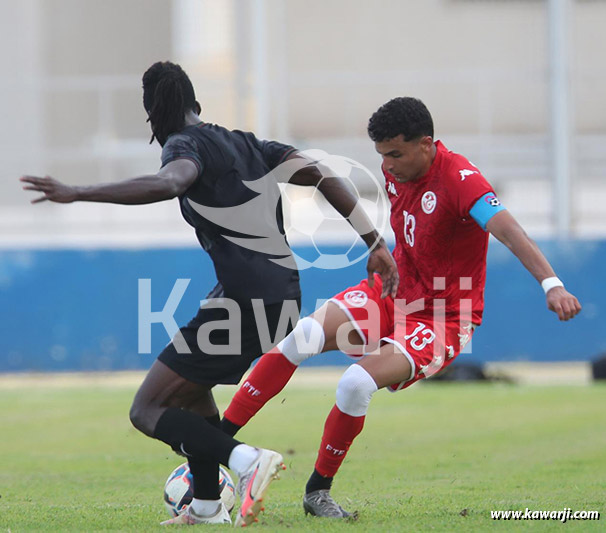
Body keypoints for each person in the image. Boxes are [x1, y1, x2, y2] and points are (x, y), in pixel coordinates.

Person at [20, 61, 398, 527]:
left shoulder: (183, 145)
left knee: (147, 409)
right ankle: (204, 507)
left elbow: (172, 181)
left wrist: (79, 192)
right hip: (279, 299)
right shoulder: (250, 144)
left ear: (153, 114)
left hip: (246, 303)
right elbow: (323, 174)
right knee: (193, 397)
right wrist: (374, 241)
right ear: (196, 103)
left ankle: (245, 461)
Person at [220, 96, 582, 518]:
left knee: (354, 384)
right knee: (302, 335)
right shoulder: (397, 170)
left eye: (395, 154)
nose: (387, 165)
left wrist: (551, 284)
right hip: (393, 292)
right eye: (381, 155)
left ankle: (317, 491)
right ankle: (214, 446)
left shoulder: (463, 180)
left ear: (426, 144)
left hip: (444, 316)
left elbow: (508, 230)